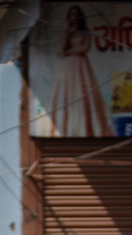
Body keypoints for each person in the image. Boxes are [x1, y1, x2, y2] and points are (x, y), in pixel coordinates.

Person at [49, 5, 113, 137]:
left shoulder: (85, 31)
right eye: (72, 15)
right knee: (66, 95)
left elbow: (85, 47)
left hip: (81, 65)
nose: (74, 17)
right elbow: (61, 47)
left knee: (84, 95)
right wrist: (68, 32)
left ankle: (87, 129)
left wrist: (68, 52)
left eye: (76, 14)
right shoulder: (65, 32)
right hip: (67, 67)